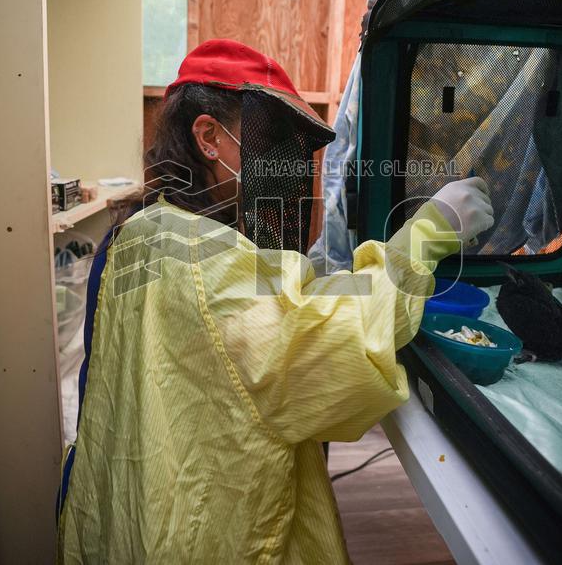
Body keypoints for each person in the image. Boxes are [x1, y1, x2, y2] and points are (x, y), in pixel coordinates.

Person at [56, 39, 494, 563]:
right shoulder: (205, 260)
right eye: (272, 142)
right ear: (209, 137)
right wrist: (427, 233)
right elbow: (334, 345)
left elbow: (262, 316)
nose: (286, 165)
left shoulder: (144, 228)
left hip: (132, 510)